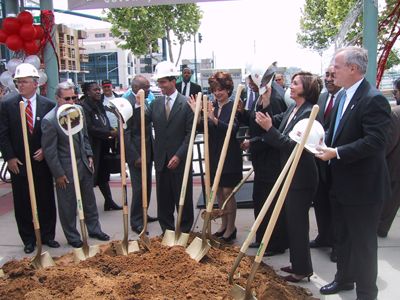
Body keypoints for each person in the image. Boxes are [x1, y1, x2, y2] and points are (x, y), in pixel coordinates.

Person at [315, 46, 391, 300]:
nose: (331, 72)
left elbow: (376, 141)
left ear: (352, 69)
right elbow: (334, 132)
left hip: (364, 189)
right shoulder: (342, 97)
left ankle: (367, 293)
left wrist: (335, 152)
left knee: (363, 245)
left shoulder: (373, 98)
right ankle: (344, 280)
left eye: (336, 67)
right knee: (344, 239)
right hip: (341, 184)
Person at [256, 71, 322, 282]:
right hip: (290, 175)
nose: (290, 87)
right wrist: (265, 107)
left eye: (295, 84)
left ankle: (302, 269)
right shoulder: (294, 108)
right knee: (292, 222)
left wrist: (269, 130)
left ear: (307, 88)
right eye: (291, 83)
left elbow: (293, 146)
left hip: (301, 177)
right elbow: (277, 122)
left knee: (298, 223)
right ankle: (297, 262)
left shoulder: (309, 113)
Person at [41, 81, 110, 247]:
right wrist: (58, 173)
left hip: (84, 165)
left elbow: (85, 136)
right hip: (65, 170)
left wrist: (89, 155)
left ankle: (94, 229)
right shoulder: (50, 121)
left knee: (89, 201)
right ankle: (73, 236)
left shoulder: (78, 111)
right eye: (67, 99)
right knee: (68, 205)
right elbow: (50, 151)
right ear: (57, 98)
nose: (71, 102)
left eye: (74, 98)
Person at [0, 63, 59, 254]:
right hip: (19, 163)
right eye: (18, 82)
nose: (21, 85)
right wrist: (9, 158)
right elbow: (3, 134)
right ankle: (28, 238)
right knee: (23, 202)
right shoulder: (7, 104)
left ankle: (48, 235)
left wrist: (45, 149)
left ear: (36, 84)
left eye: (25, 82)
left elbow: (52, 133)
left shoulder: (48, 105)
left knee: (45, 201)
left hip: (41, 163)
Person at [133, 61, 194, 235]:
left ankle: (184, 231)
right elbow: (141, 123)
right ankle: (166, 231)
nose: (160, 86)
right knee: (164, 199)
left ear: (173, 81)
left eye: (163, 82)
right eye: (158, 82)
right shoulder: (155, 104)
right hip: (161, 161)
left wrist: (179, 155)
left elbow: (190, 134)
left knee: (183, 199)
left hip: (180, 161)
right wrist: (138, 104)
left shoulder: (186, 104)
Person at [237, 65, 288, 255]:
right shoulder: (262, 96)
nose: (248, 83)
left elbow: (274, 131)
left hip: (271, 161)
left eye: (251, 79)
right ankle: (262, 238)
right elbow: (257, 121)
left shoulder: (273, 98)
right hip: (261, 161)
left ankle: (274, 243)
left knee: (270, 202)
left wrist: (252, 142)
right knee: (259, 200)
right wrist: (243, 114)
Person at [189, 71, 242, 242]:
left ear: (228, 89)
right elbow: (200, 129)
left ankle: (231, 227)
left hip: (230, 155)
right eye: (215, 90)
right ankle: (223, 225)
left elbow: (232, 129)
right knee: (217, 190)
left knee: (228, 191)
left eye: (221, 90)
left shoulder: (234, 106)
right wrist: (197, 114)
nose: (217, 93)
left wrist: (214, 119)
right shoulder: (210, 105)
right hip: (213, 153)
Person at [310, 65, 344, 262]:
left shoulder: (345, 99)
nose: (330, 79)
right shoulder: (321, 98)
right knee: (321, 202)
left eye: (333, 75)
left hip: (337, 161)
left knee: (336, 207)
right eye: (327, 75)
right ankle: (323, 236)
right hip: (320, 161)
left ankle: (337, 245)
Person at [81, 82, 122, 211]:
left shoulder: (99, 105)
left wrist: (111, 132)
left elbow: (104, 122)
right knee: (91, 175)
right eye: (95, 90)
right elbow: (90, 128)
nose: (98, 92)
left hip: (103, 145)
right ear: (87, 92)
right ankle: (87, 205)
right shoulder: (85, 108)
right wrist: (110, 133)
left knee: (104, 175)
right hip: (93, 147)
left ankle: (109, 201)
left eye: (99, 90)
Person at [124, 75, 158, 234]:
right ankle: (136, 221)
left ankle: (143, 213)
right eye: (146, 87)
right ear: (136, 88)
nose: (149, 90)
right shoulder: (127, 104)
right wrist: (134, 156)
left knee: (147, 187)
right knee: (138, 188)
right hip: (137, 154)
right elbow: (126, 133)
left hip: (148, 150)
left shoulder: (144, 100)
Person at [378, 77, 400, 238]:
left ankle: (381, 227)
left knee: (390, 200)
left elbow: (389, 143)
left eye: (395, 91)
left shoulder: (396, 114)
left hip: (395, 166)